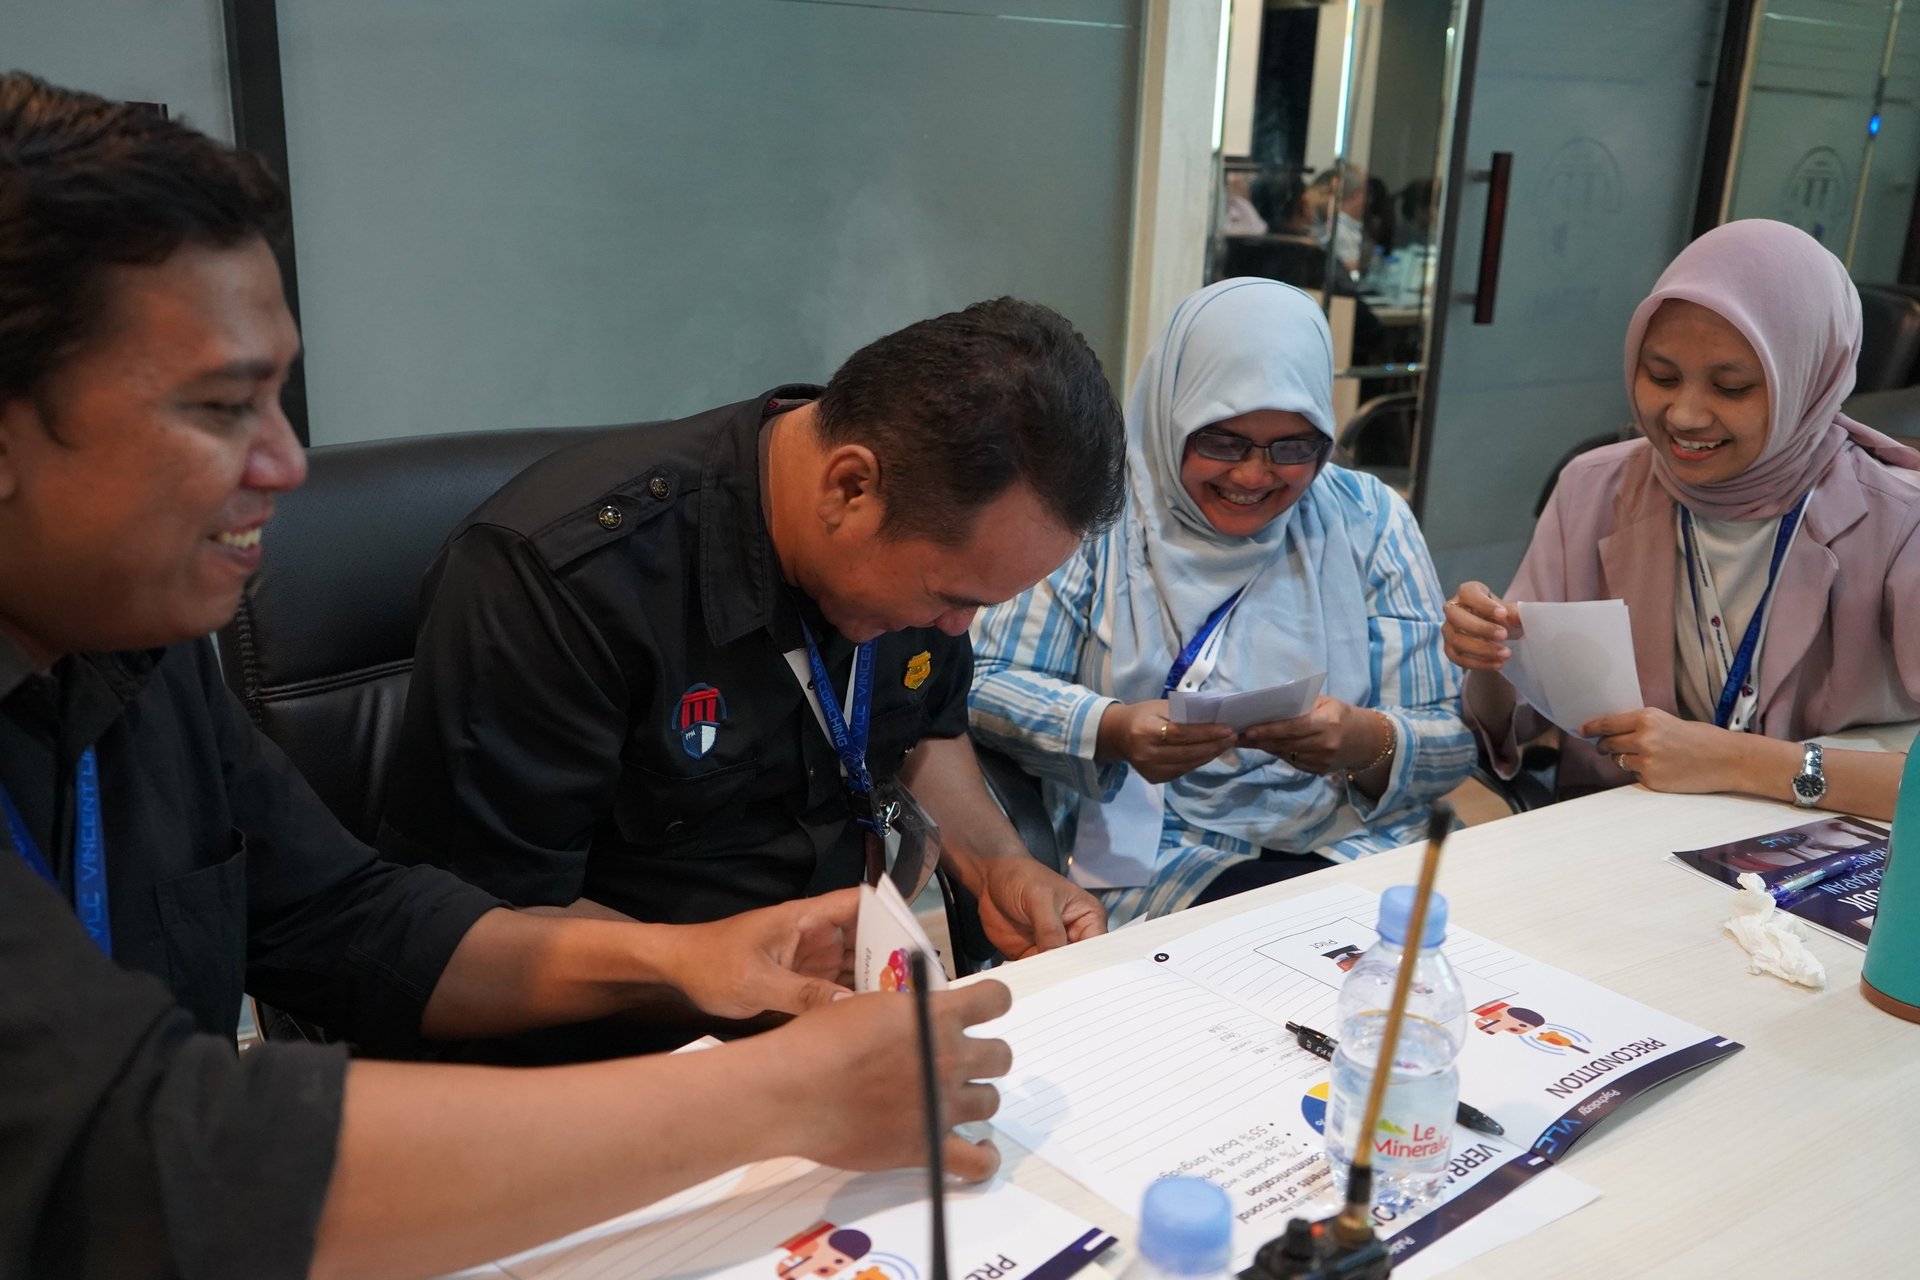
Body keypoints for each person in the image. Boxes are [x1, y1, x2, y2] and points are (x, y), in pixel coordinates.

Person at [0, 72, 1011, 1280]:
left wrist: (683, 956)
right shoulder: (572, 564)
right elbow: (148, 1151)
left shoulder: (135, 646)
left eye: (281, 396)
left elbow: (351, 917)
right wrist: (771, 1095)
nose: (286, 463)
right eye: (223, 408)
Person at [380, 298, 1124, 963]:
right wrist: (715, 968)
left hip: (831, 997)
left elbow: (926, 728)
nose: (958, 626)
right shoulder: (561, 582)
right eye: (950, 598)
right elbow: (483, 924)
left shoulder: (932, 539)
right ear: (850, 486)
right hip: (616, 1041)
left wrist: (997, 864)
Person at [968, 279, 1474, 925]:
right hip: (1164, 852)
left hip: (1354, 839)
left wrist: (1362, 740)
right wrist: (1115, 729)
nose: (1253, 476)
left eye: (1293, 447)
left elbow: (1450, 741)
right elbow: (980, 681)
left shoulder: (1367, 519)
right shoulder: (1097, 516)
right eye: (1222, 442)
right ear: (1170, 416)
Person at [1443, 220, 1920, 820]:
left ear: (1809, 384)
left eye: (1733, 387)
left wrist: (1737, 760)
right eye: (1661, 377)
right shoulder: (1596, 487)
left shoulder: (1900, 523)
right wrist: (1486, 658)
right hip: (1619, 835)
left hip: (1814, 858)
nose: (1685, 415)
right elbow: (1519, 719)